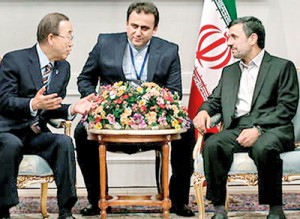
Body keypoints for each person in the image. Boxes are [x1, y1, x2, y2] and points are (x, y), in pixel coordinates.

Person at [74, 1, 195, 217]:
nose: (137, 33)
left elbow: (174, 91)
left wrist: (158, 104)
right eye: (133, 26)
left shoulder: (169, 50)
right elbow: (85, 78)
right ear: (126, 23)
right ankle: (97, 199)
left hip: (152, 120)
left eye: (145, 28)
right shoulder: (105, 42)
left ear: (155, 29)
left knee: (188, 131)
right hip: (112, 116)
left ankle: (178, 200)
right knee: (81, 133)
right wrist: (91, 100)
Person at [193, 16, 299, 219]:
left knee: (264, 147)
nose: (228, 42)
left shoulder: (282, 67)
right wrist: (204, 111)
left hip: (274, 129)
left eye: (233, 36)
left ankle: (275, 210)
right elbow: (214, 100)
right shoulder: (229, 72)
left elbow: (286, 108)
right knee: (214, 143)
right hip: (238, 128)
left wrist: (258, 130)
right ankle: (219, 209)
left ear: (252, 38)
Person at [0, 13, 95, 219]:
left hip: (34, 133)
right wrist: (33, 103)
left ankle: (66, 211)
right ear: (51, 38)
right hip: (7, 130)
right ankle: (3, 210)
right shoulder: (14, 60)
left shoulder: (63, 68)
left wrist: (73, 108)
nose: (71, 43)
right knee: (11, 145)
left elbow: (51, 106)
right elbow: (4, 101)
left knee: (63, 142)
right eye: (68, 36)